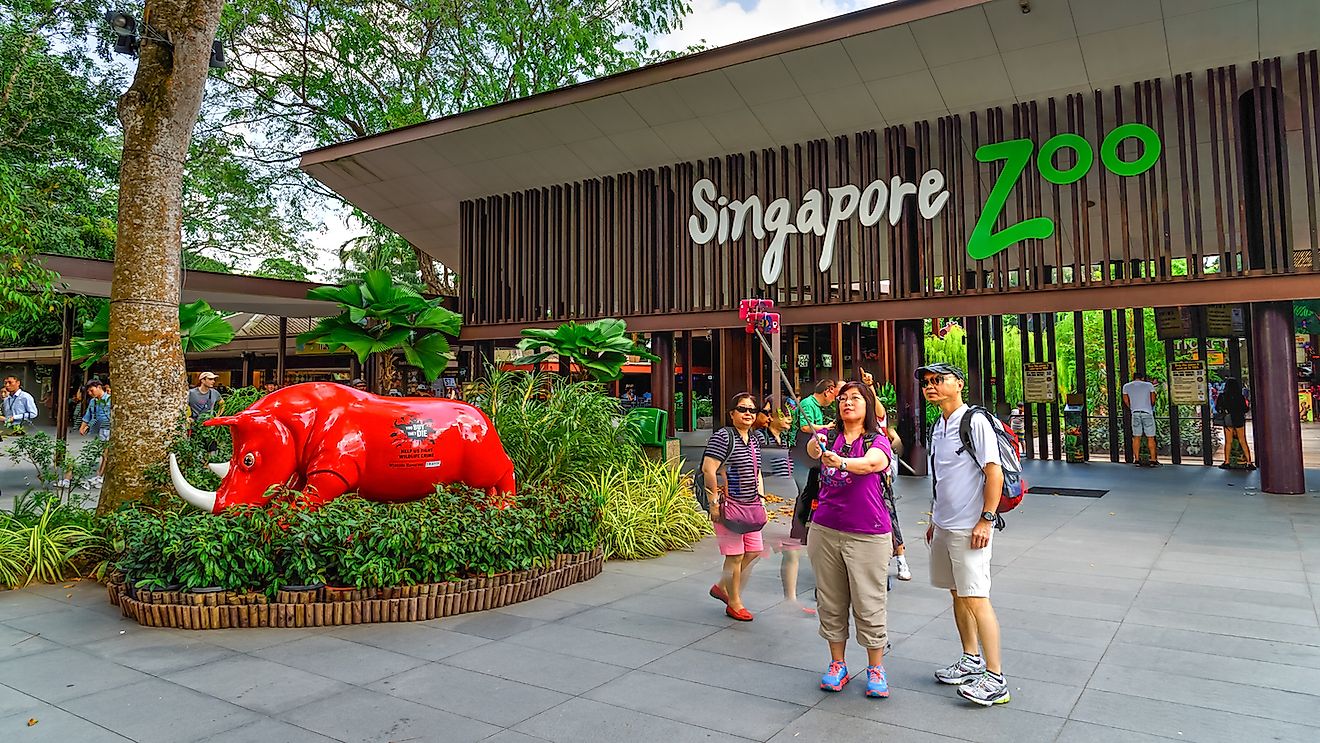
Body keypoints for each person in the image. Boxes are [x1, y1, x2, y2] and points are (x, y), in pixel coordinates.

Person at [920, 361, 1010, 707]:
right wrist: (933, 518)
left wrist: (986, 519)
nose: (930, 386)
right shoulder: (938, 426)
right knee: (957, 594)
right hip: (944, 524)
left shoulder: (975, 421)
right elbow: (941, 476)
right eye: (927, 382)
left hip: (970, 526)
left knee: (976, 596)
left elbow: (993, 471)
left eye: (938, 380)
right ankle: (970, 659)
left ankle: (996, 677)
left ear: (958, 383)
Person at [806, 381, 895, 698]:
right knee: (830, 600)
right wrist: (818, 447)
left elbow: (873, 463)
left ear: (868, 405)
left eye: (855, 398)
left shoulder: (876, 439)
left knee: (869, 601)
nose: (847, 402)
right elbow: (812, 450)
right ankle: (837, 664)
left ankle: (875, 666)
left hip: (868, 533)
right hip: (825, 529)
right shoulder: (830, 436)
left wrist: (841, 462)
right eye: (842, 398)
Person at [701, 392, 766, 622]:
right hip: (729, 505)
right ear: (732, 413)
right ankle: (734, 602)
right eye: (742, 409)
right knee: (736, 556)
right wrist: (713, 504)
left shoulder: (755, 439)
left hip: (751, 504)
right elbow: (709, 470)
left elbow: (756, 470)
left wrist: (761, 498)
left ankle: (722, 586)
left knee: (754, 551)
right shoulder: (723, 437)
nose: (748, 413)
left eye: (752, 410)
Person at [755, 407, 813, 616]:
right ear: (771, 417)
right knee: (750, 555)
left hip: (784, 507)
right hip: (769, 506)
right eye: (784, 415)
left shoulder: (784, 438)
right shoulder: (760, 439)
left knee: (791, 552)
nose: (789, 419)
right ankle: (726, 589)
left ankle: (790, 599)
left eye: (790, 415)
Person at [861, 370, 911, 581]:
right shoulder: (846, 427)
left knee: (888, 515)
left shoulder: (877, 425)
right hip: (855, 480)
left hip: (879, 479)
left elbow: (880, 411)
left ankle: (900, 559)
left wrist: (870, 386)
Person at [78, 379, 112, 487]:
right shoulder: (93, 401)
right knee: (104, 453)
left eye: (91, 390)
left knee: (106, 454)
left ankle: (100, 475)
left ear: (98, 387)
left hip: (110, 428)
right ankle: (100, 475)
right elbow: (90, 414)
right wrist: (84, 426)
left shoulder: (110, 399)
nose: (90, 393)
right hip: (101, 429)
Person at [1122, 372, 1159, 466]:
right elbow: (1153, 399)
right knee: (1150, 437)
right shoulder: (1149, 385)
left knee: (1136, 437)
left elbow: (1126, 400)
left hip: (1135, 413)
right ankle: (1153, 460)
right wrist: (1149, 406)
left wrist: (1132, 407)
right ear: (1142, 378)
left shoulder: (1127, 386)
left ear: (1133, 378)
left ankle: (1137, 459)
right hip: (1147, 412)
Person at [1216, 377, 1254, 470]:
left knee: (1228, 441)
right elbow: (1245, 409)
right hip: (1238, 418)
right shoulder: (1240, 396)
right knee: (1242, 440)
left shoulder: (1222, 396)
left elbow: (1218, 408)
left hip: (1228, 419)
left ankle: (1227, 462)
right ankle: (1249, 462)